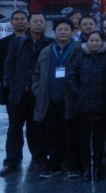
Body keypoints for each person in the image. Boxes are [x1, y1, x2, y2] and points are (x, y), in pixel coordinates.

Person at [0, 12, 52, 176]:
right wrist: (11, 82)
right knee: (14, 128)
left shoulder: (49, 44)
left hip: (38, 93)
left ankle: (40, 158)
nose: (38, 24)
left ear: (45, 24)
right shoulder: (17, 43)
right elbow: (9, 65)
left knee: (37, 127)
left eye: (41, 21)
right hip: (18, 93)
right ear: (29, 24)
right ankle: (12, 161)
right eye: (35, 21)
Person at [33, 18, 82, 178]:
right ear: (54, 32)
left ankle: (73, 166)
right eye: (59, 29)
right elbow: (36, 73)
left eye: (66, 29)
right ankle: (54, 165)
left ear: (72, 32)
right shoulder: (46, 51)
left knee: (71, 134)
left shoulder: (79, 50)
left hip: (70, 100)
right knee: (52, 134)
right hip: (50, 100)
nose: (62, 32)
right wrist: (38, 90)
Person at [67, 31, 106, 181]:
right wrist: (78, 93)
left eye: (97, 40)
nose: (94, 43)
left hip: (102, 104)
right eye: (92, 40)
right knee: (84, 139)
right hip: (83, 104)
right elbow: (72, 76)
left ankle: (98, 167)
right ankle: (87, 168)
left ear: (102, 41)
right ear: (87, 41)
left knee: (99, 140)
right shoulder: (80, 56)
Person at [0, 10, 29, 110]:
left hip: (32, 90)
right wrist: (8, 82)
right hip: (11, 90)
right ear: (11, 22)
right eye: (16, 19)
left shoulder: (36, 42)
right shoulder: (2, 43)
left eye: (22, 19)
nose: (19, 21)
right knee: (14, 119)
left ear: (28, 22)